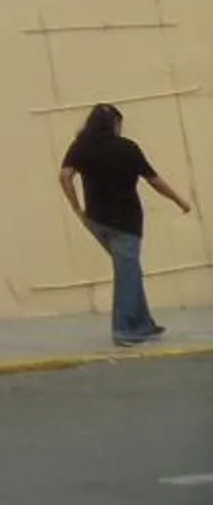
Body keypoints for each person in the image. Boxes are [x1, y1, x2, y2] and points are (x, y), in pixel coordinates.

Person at [61, 101, 193, 346]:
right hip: (125, 222)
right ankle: (123, 329)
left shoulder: (81, 147)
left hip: (96, 220)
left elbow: (65, 175)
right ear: (115, 124)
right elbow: (154, 180)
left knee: (129, 270)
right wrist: (179, 201)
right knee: (128, 273)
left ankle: (143, 324)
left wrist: (76, 208)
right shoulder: (127, 148)